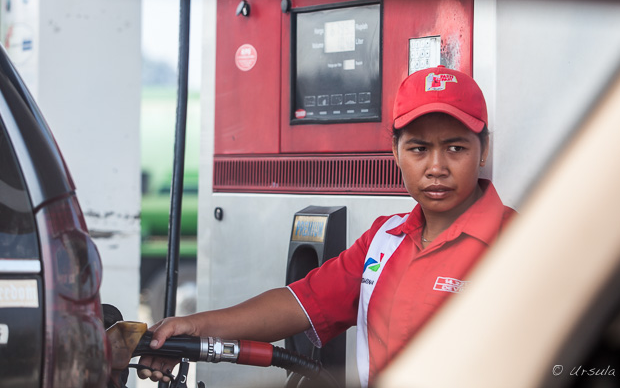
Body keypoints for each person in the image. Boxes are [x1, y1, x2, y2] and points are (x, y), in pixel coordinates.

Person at [137, 66, 516, 387]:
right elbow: (299, 303)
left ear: (484, 150)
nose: (437, 167)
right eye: (418, 149)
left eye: (456, 148)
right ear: (396, 153)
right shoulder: (385, 239)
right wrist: (192, 328)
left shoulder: (521, 243)